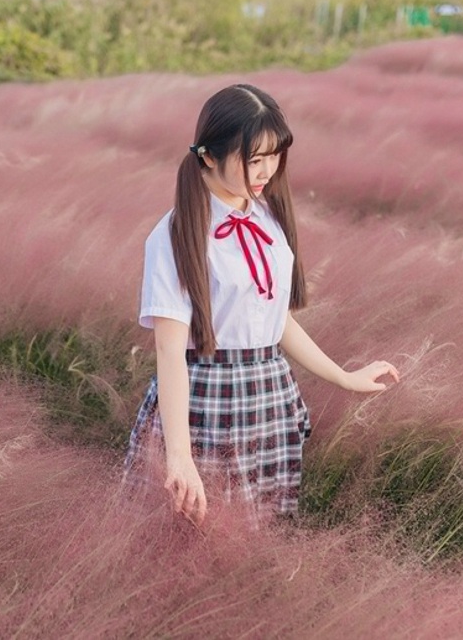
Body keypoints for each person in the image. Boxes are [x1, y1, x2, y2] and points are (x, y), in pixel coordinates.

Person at [123, 84, 400, 527]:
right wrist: (180, 456)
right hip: (205, 400)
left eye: (275, 156)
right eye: (254, 159)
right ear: (209, 156)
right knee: (190, 532)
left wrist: (344, 377)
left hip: (268, 395)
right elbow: (169, 351)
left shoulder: (268, 218)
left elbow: (276, 322)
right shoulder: (176, 235)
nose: (267, 170)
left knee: (259, 533)